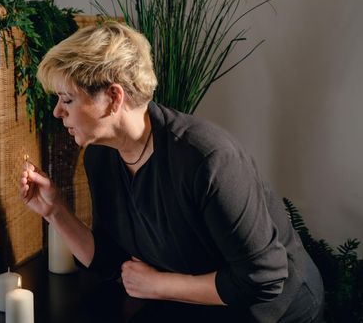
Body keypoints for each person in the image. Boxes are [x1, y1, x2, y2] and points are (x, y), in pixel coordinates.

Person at [19, 21, 324, 322]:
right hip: (193, 305)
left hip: (273, 310)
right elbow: (114, 264)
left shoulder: (208, 159)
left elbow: (263, 279)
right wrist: (54, 210)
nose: (58, 111)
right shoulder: (100, 157)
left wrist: (159, 285)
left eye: (67, 99)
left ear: (113, 98)